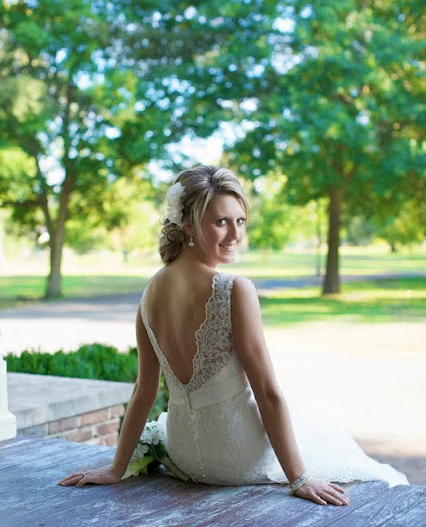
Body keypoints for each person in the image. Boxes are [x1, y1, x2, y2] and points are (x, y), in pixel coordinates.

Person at [59, 165, 409, 503]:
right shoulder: (234, 289)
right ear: (189, 226)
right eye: (221, 222)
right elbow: (267, 392)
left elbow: (144, 391)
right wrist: (299, 479)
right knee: (322, 434)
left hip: (185, 456)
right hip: (236, 456)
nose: (235, 234)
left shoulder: (149, 292)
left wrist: (117, 469)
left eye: (240, 221)